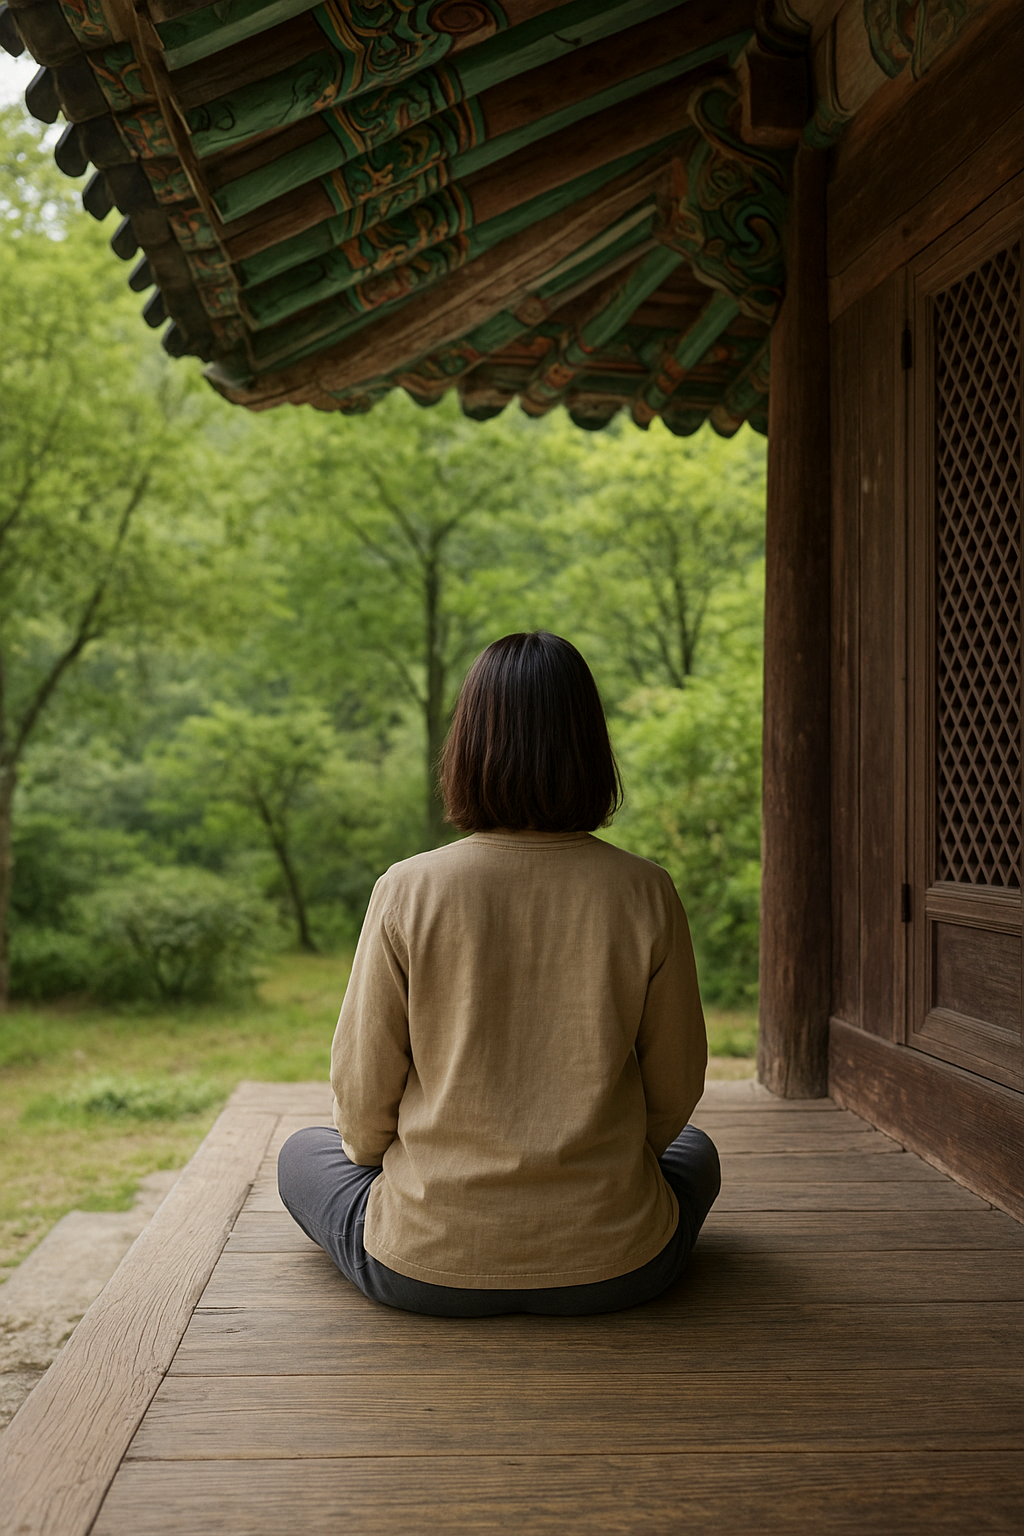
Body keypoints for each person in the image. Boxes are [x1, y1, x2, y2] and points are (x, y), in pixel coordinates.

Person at [278, 631, 720, 1317]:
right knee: (696, 1153)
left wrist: (383, 1158)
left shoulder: (407, 889)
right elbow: (674, 1091)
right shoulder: (646, 891)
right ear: (590, 750)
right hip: (620, 1265)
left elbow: (363, 1105)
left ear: (467, 748)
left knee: (302, 1155)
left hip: (427, 1264)